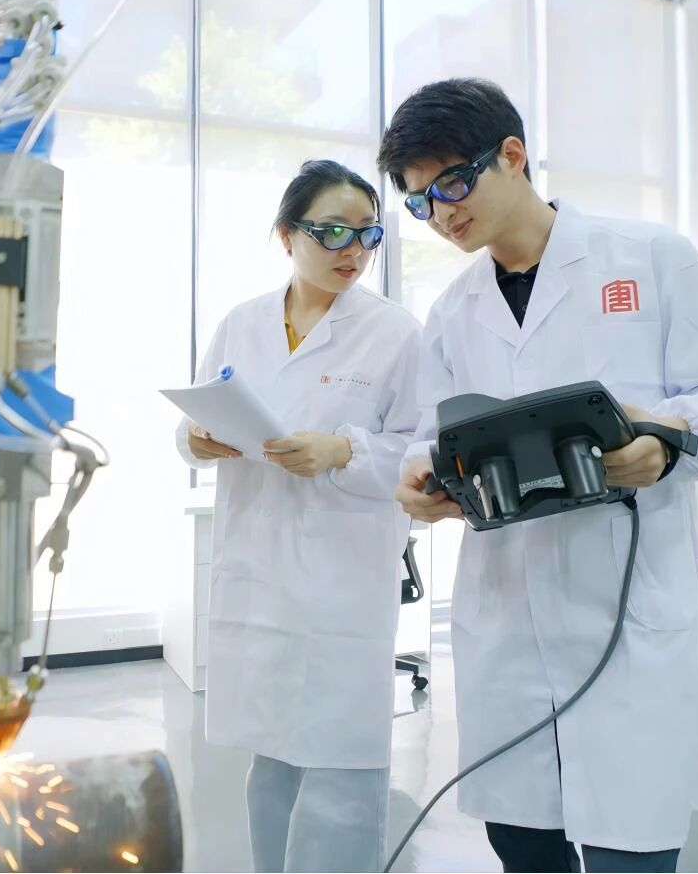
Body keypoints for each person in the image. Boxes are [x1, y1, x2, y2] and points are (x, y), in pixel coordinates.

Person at [377, 79, 698, 873]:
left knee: (630, 848)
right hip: (506, 618)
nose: (440, 213)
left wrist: (665, 442)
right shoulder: (452, 309)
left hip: (624, 608)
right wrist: (419, 479)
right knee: (522, 844)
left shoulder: (649, 257)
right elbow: (428, 434)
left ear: (512, 156)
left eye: (450, 183)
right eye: (420, 201)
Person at [174, 160, 421, 873]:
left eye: (368, 233)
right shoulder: (242, 323)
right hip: (258, 571)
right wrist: (197, 439)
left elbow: (421, 452)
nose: (354, 249)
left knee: (343, 767)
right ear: (286, 235)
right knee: (272, 758)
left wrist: (343, 450)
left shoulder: (395, 333)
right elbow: (193, 422)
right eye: (333, 231)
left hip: (342, 580)